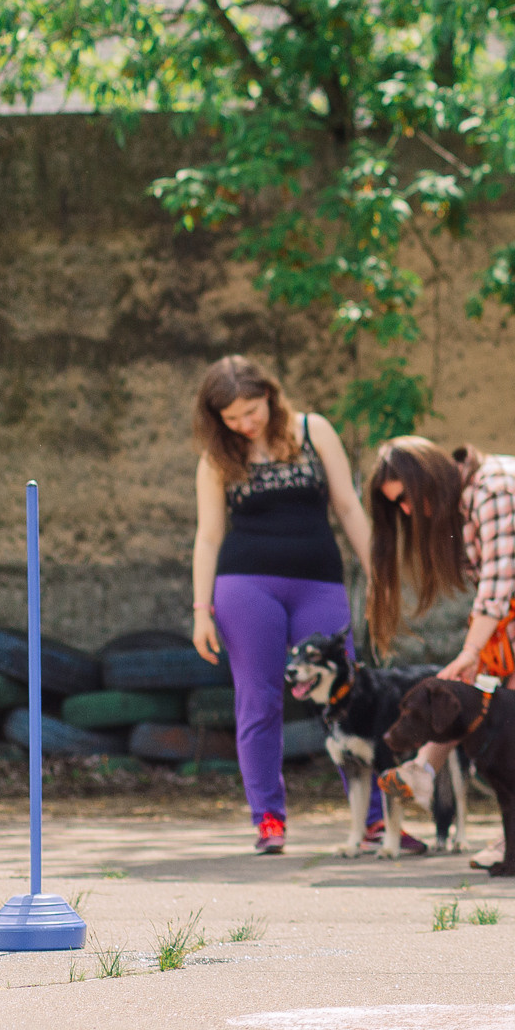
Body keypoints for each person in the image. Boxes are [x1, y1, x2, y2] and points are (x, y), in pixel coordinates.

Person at [365, 437, 515, 870]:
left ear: (428, 477)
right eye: (395, 506)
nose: (405, 511)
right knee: (464, 695)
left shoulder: (495, 488)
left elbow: (498, 583)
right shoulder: (462, 503)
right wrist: (474, 655)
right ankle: (424, 771)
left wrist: (472, 649)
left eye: (405, 498)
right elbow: (497, 595)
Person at [190, 356, 377, 855]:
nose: (245, 424)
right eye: (231, 418)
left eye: (251, 411)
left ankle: (376, 820)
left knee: (350, 693)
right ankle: (268, 819)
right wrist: (200, 611)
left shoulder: (315, 431)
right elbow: (208, 537)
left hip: (319, 584)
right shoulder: (216, 457)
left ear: (269, 395)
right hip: (244, 587)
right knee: (259, 700)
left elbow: (349, 506)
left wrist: (379, 576)